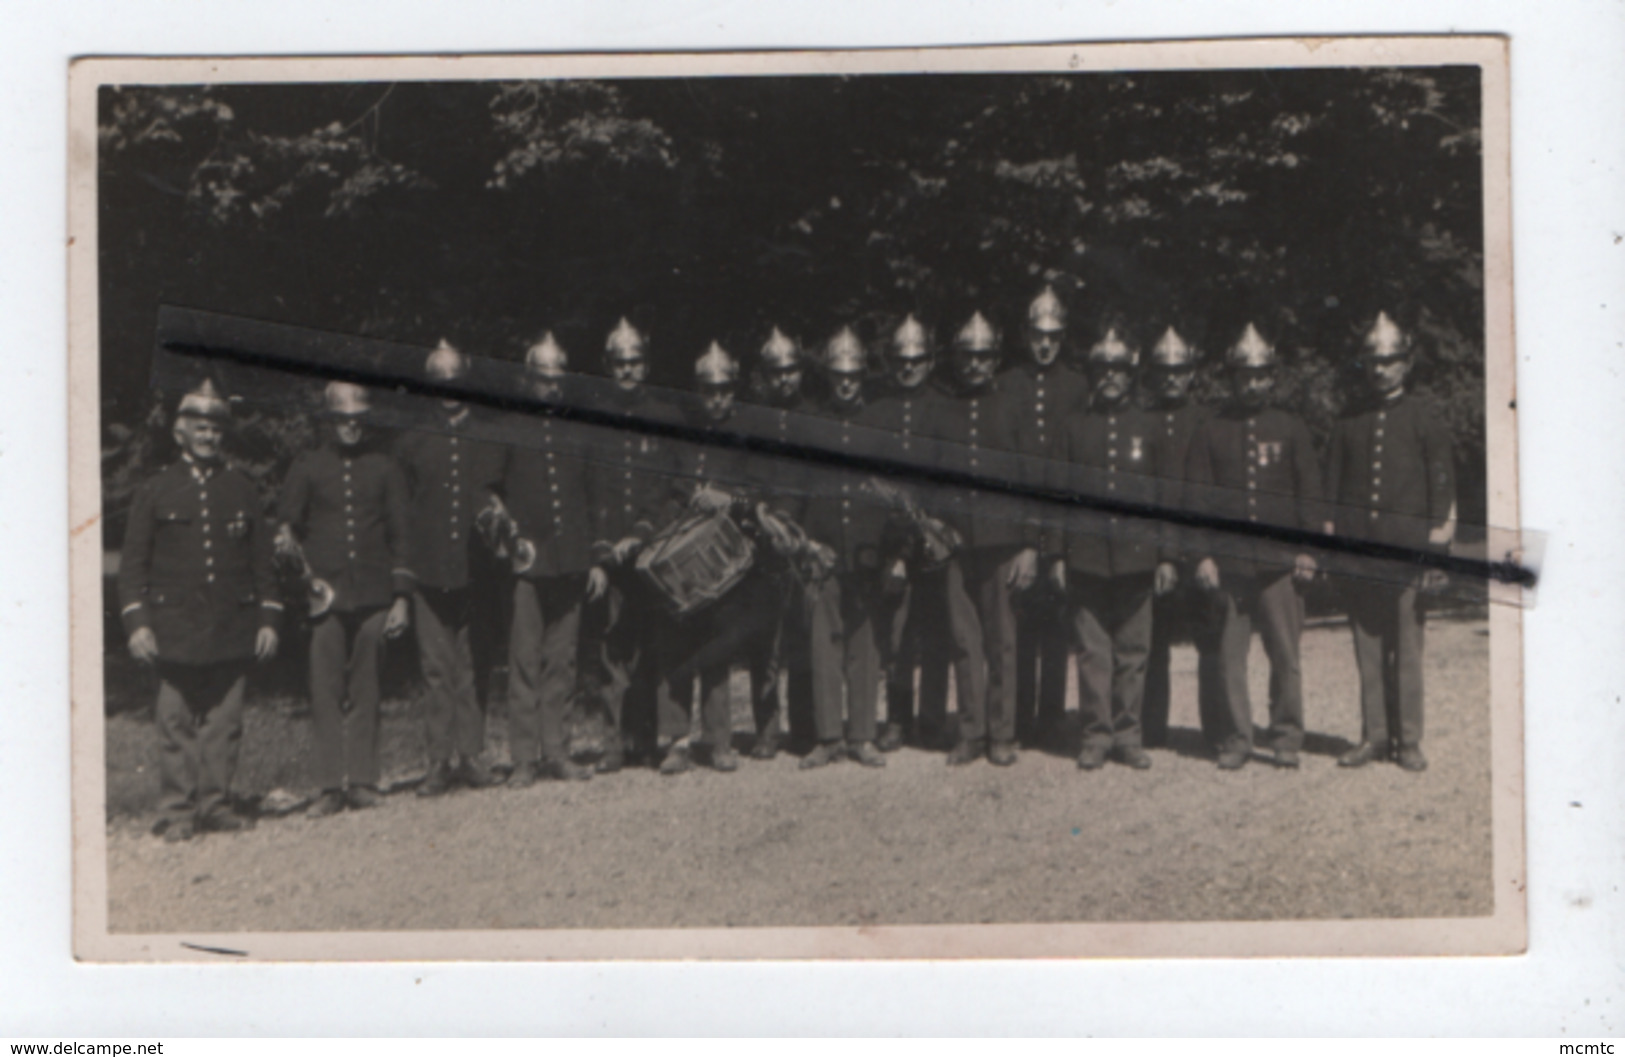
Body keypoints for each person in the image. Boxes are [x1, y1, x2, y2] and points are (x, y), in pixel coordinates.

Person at [119, 378, 282, 841]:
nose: (209, 435)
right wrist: (137, 626)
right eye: (199, 427)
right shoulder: (155, 491)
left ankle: (215, 803)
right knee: (174, 721)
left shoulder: (241, 489)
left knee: (225, 722)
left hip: (231, 626)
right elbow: (133, 568)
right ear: (180, 432)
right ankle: (177, 811)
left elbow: (261, 564)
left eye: (215, 428)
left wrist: (268, 619)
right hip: (174, 630)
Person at [1184, 323, 1324, 770]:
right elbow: (1196, 498)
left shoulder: (1291, 426)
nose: (1254, 383)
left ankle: (1285, 736)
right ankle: (1236, 738)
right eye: (1245, 375)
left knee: (1285, 656)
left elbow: (1311, 494)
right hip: (1229, 566)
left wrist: (1308, 549)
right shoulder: (1211, 429)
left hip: (1280, 563)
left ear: (1273, 377)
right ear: (1233, 378)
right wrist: (1202, 554)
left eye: (1261, 375)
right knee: (1229, 661)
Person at [1327, 311, 1456, 773]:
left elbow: (1442, 490)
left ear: (1406, 364)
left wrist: (1435, 552)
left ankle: (1410, 740)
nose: (1381, 369)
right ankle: (1374, 736)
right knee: (1367, 648)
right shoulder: (1348, 421)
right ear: (1364, 365)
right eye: (1373, 362)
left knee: (1406, 647)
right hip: (1362, 555)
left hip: (1407, 554)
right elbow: (1332, 490)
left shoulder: (1424, 419)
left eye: (1390, 361)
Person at [276, 381, 411, 818]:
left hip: (374, 595)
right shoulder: (308, 466)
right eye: (342, 420)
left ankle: (365, 781)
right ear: (329, 421)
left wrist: (402, 598)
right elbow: (288, 529)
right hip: (325, 598)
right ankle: (330, 786)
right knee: (325, 689)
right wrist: (291, 554)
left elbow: (400, 536)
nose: (350, 427)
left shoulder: (385, 467)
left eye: (358, 419)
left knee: (367, 689)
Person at [1046, 322, 1175, 771]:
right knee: (1092, 653)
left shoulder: (1151, 427)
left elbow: (1166, 499)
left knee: (1134, 654)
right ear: (1092, 373)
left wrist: (1167, 556)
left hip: (1138, 558)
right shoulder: (1073, 428)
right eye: (1102, 369)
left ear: (1131, 372)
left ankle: (1128, 735)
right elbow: (1058, 496)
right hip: (1086, 558)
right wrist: (1057, 553)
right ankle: (1096, 736)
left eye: (1118, 369)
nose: (1110, 377)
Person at [484, 333, 602, 786]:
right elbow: (490, 491)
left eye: (557, 380)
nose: (550, 387)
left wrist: (595, 559)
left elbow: (593, 500)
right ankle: (522, 759)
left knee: (562, 661)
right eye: (542, 379)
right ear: (528, 379)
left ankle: (557, 751)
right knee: (523, 661)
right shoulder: (510, 428)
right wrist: (503, 530)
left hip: (570, 560)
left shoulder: (578, 428)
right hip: (526, 564)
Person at [921, 311, 1033, 767]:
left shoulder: (1012, 409)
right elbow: (928, 480)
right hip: (954, 543)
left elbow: (1032, 482)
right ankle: (971, 731)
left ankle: (1002, 733)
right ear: (956, 358)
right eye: (967, 355)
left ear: (995, 358)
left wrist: (1030, 545)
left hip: (1003, 542)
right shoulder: (940, 412)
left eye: (983, 356)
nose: (974, 364)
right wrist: (932, 525)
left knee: (1002, 641)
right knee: (963, 641)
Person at [394, 340, 505, 796]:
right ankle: (438, 761)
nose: (449, 393)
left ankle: (471, 755)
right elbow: (401, 515)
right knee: (436, 668)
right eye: (440, 385)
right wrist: (403, 579)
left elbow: (502, 502)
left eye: (455, 384)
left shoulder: (489, 436)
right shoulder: (411, 441)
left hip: (477, 571)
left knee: (475, 664)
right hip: (429, 571)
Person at [580, 317, 678, 771]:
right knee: (612, 649)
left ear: (647, 364)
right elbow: (592, 493)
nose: (627, 370)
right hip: (611, 557)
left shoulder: (665, 418)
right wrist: (601, 557)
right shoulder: (594, 420)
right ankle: (617, 741)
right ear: (607, 366)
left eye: (635, 361)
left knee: (658, 644)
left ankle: (660, 738)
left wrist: (642, 533)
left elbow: (669, 491)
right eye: (619, 363)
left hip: (654, 551)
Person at [794, 326, 890, 769]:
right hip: (823, 553)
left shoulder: (878, 427)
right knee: (822, 644)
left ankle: (863, 735)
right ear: (828, 376)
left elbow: (893, 498)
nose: (846, 382)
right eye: (838, 374)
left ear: (863, 376)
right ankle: (829, 735)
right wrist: (806, 544)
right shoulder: (812, 428)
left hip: (866, 554)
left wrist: (889, 552)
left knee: (863, 646)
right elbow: (798, 491)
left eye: (853, 374)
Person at [998, 285, 1088, 749]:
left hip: (1062, 518)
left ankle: (1051, 715)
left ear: (1064, 336)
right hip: (1016, 519)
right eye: (1037, 334)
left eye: (1053, 335)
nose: (1045, 343)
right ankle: (1017, 720)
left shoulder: (1077, 386)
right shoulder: (1007, 383)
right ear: (1024, 334)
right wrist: (1021, 539)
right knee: (1018, 625)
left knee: (1056, 622)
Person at [866, 314, 952, 752]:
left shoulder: (944, 407)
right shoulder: (877, 411)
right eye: (901, 360)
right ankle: (897, 718)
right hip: (892, 541)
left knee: (935, 631)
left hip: (934, 536)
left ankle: (933, 719)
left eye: (916, 360)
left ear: (929, 362)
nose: (908, 368)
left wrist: (934, 524)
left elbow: (952, 476)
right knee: (896, 635)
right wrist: (896, 544)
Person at [1139, 325, 1223, 749]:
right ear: (1152, 374)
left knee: (1210, 641)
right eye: (1163, 370)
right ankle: (1151, 729)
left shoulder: (1207, 421)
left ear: (1191, 373)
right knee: (1153, 644)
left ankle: (1217, 730)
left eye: (1179, 369)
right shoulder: (1140, 420)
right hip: (1155, 549)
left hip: (1199, 547)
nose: (1171, 377)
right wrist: (1160, 553)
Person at [739, 326, 818, 758]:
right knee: (764, 644)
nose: (784, 379)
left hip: (803, 543)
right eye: (776, 372)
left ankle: (804, 727)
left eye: (791, 371)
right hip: (764, 546)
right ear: (764, 377)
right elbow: (743, 482)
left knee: (802, 639)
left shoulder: (814, 418)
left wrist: (804, 536)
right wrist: (762, 517)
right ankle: (767, 728)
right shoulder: (752, 422)